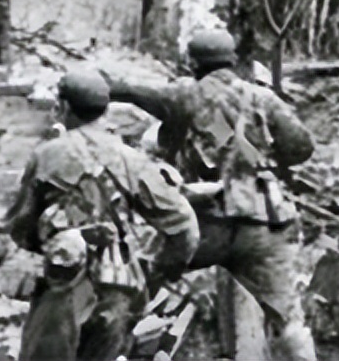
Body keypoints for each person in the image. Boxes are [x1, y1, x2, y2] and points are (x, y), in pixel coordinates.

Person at [102, 29, 318, 361]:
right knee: (288, 320)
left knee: (132, 286)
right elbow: (301, 147)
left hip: (200, 221)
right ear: (232, 61)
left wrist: (96, 85)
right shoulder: (263, 98)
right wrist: (265, 157)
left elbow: (133, 92)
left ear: (193, 64)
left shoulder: (184, 94)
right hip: (262, 220)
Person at [6, 69, 199, 361]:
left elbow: (21, 227)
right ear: (105, 109)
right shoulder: (132, 160)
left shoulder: (47, 155)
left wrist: (50, 239)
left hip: (63, 287)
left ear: (64, 107)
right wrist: (160, 270)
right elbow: (185, 227)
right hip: (118, 291)